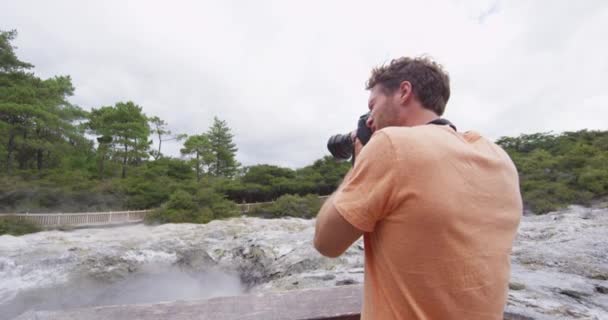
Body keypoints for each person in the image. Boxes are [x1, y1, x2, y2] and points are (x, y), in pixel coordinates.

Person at [313, 56, 522, 319]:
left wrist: (358, 163)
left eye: (372, 105)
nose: (370, 120)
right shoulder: (498, 157)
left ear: (404, 92)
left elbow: (326, 242)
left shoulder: (390, 145)